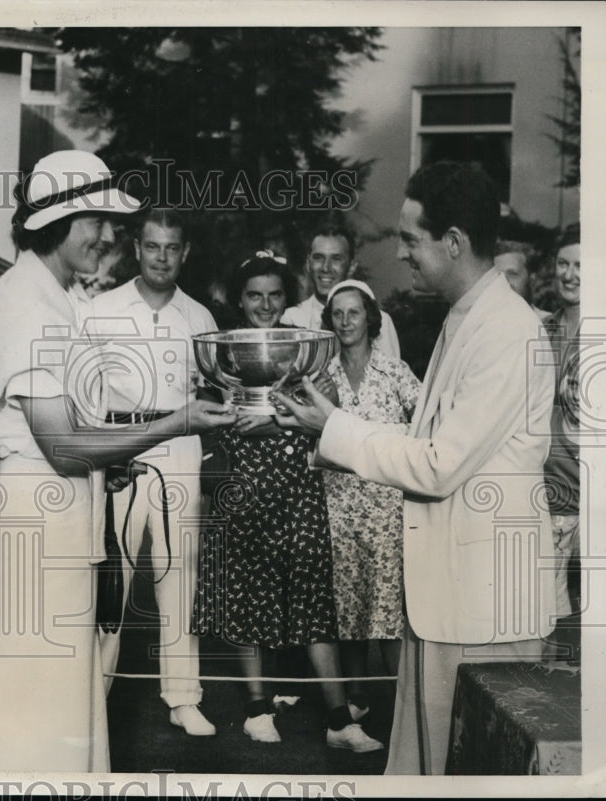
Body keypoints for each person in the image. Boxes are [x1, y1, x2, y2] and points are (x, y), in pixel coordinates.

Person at [0, 150, 234, 772]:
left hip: (59, 518)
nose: (110, 238)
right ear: (59, 222)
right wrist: (174, 422)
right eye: (98, 222)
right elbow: (64, 446)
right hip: (34, 525)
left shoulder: (57, 294)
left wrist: (112, 461)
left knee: (51, 700)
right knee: (27, 702)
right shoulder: (29, 301)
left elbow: (77, 434)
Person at [273, 161, 558, 775]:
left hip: (484, 608)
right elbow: (426, 440)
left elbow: (437, 466)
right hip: (445, 596)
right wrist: (331, 423)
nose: (400, 254)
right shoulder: (464, 317)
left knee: (472, 777)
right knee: (424, 769)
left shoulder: (506, 331)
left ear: (453, 242)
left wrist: (335, 428)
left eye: (410, 238)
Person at [191, 252, 384, 753]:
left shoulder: (306, 352)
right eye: (254, 295)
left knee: (313, 599)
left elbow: (331, 415)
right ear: (239, 299)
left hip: (299, 487)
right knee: (246, 593)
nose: (265, 304)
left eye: (275, 295)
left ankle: (339, 721)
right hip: (245, 484)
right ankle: (257, 709)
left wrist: (276, 421)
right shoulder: (224, 354)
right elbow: (209, 417)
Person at [92, 208, 219, 737]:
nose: (161, 257)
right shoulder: (102, 309)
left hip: (180, 449)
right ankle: (91, 690)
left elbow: (214, 396)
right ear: (136, 248)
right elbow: (86, 393)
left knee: (178, 572)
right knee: (109, 573)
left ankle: (183, 697)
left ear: (184, 252)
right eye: (151, 246)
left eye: (171, 248)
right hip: (120, 447)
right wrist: (102, 457)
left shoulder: (201, 318)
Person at [319, 279, 421, 710]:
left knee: (389, 608)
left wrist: (384, 440)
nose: (345, 321)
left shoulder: (394, 371)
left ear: (371, 318)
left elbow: (424, 430)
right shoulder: (322, 378)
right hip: (338, 506)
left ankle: (406, 704)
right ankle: (357, 696)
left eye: (354, 312)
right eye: (337, 313)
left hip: (386, 510)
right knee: (349, 607)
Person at [281, 223, 401, 358]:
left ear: (352, 267)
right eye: (318, 257)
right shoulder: (291, 318)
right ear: (309, 264)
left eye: (336, 259)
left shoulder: (381, 321)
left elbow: (392, 375)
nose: (326, 268)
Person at [543, 223, 581, 635]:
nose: (569, 274)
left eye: (580, 265)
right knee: (552, 616)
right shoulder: (542, 330)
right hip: (549, 491)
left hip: (595, 494)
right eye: (563, 264)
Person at [494, 239, 550, 321]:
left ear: (532, 280)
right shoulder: (479, 323)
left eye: (512, 274)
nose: (503, 281)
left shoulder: (548, 324)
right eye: (497, 276)